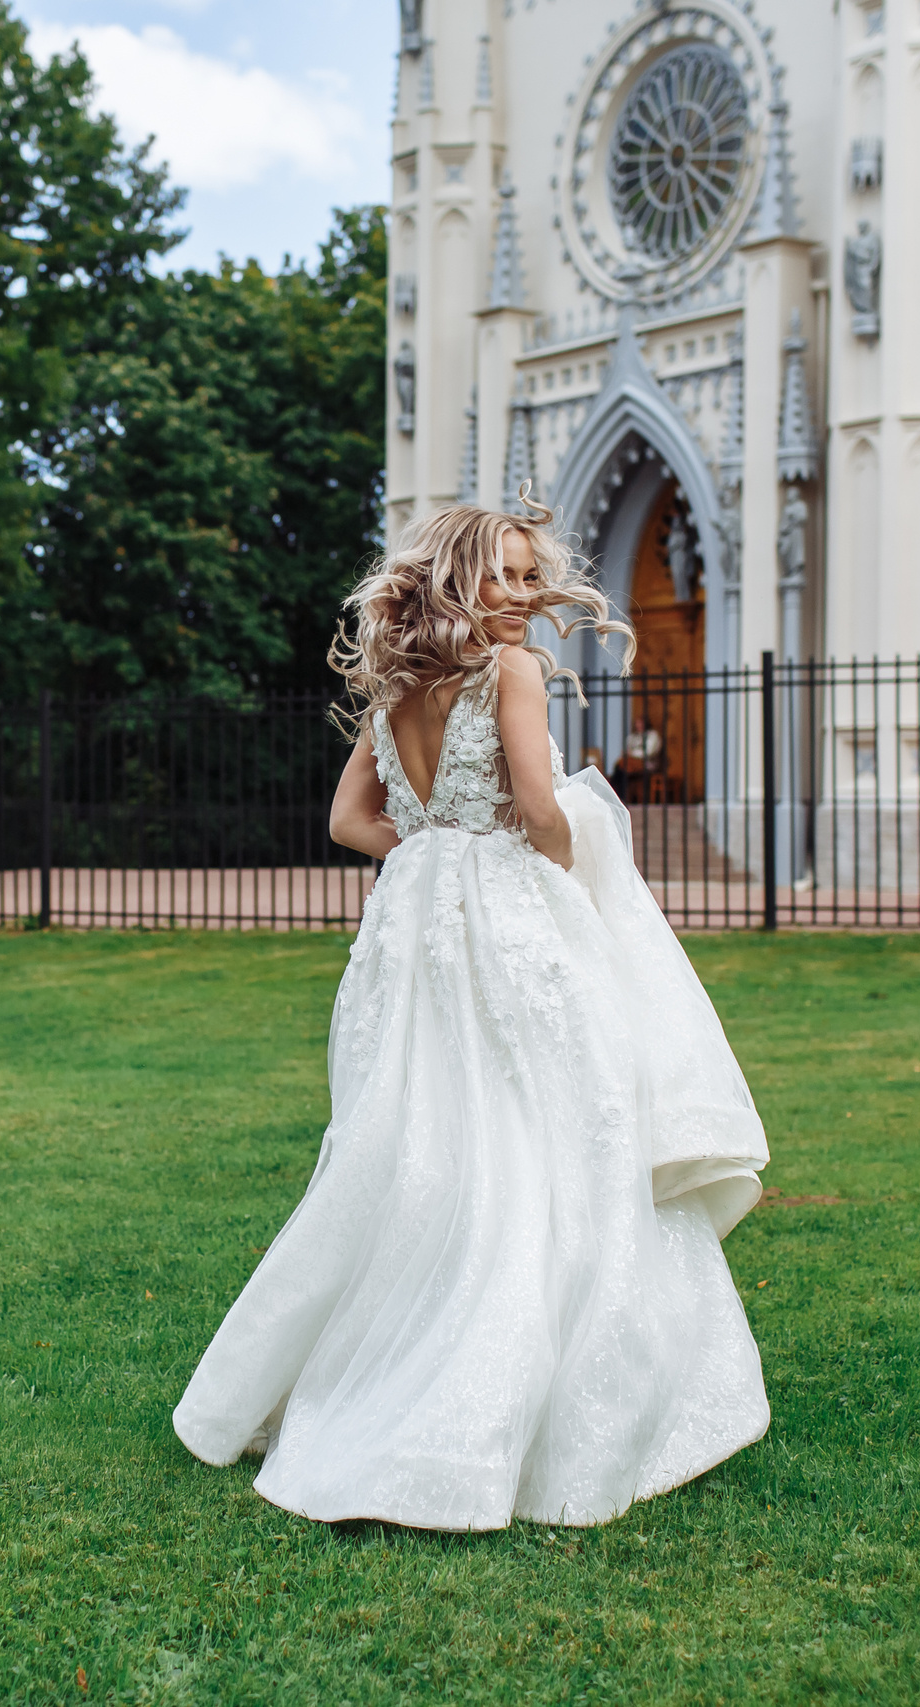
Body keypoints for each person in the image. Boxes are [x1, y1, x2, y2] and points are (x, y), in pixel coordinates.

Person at [171, 497, 773, 1530]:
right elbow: (539, 805)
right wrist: (545, 870)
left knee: (421, 1140)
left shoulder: (394, 686)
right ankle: (523, 1401)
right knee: (546, 1137)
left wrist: (430, 858)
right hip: (504, 921)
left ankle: (380, 1372)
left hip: (411, 934)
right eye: (503, 574)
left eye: (531, 576)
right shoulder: (512, 674)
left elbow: (347, 821)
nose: (524, 594)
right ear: (454, 575)